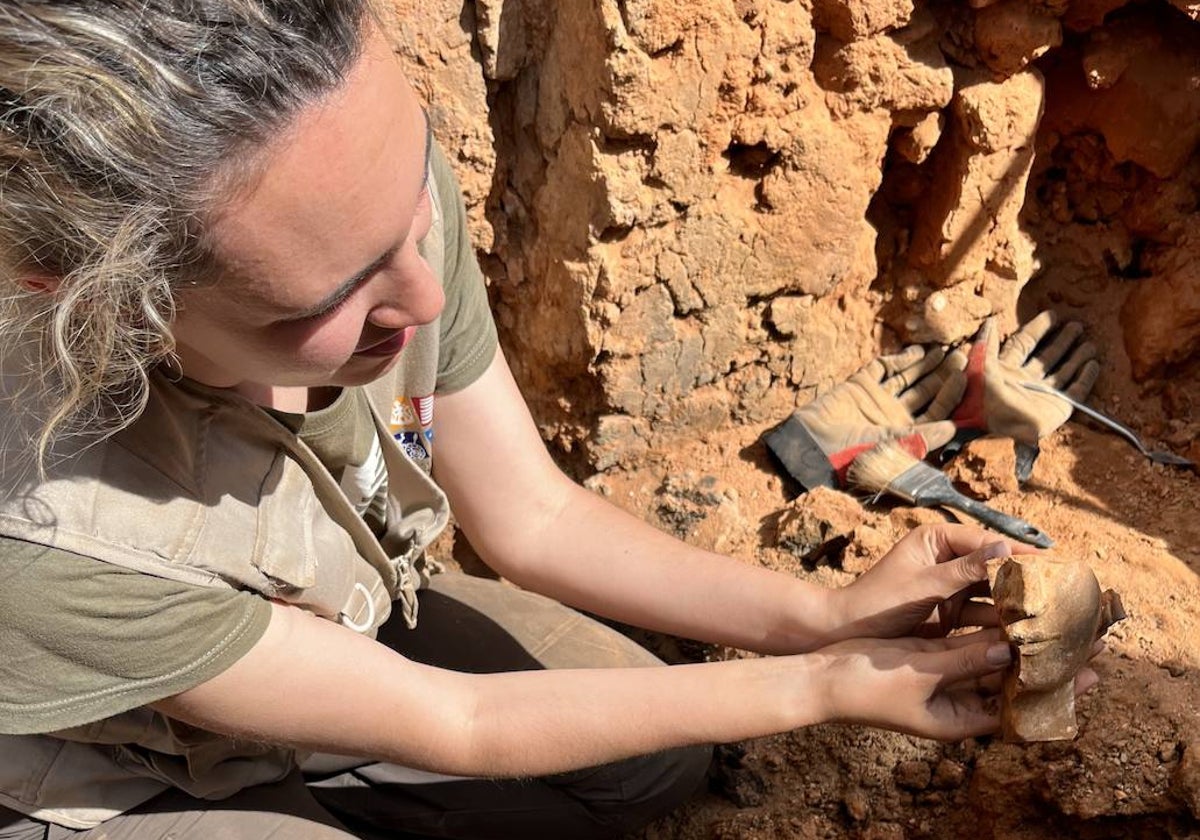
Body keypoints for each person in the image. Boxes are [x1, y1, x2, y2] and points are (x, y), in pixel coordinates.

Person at [0, 2, 1097, 838]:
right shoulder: (42, 529)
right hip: (116, 761)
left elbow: (530, 518)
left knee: (654, 762)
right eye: (334, 302)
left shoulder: (346, 193)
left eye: (410, 222)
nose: (424, 301)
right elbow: (458, 726)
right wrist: (817, 689)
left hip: (321, 631)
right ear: (100, 299)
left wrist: (824, 618)